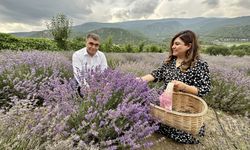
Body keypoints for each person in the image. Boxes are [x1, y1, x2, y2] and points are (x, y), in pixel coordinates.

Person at [139, 30, 211, 144]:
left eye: (177, 44)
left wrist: (184, 87)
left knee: (181, 132)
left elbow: (204, 89)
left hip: (183, 110)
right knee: (145, 117)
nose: (173, 46)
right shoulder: (170, 61)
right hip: (165, 105)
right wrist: (138, 80)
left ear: (188, 46)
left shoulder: (199, 65)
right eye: (173, 44)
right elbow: (155, 74)